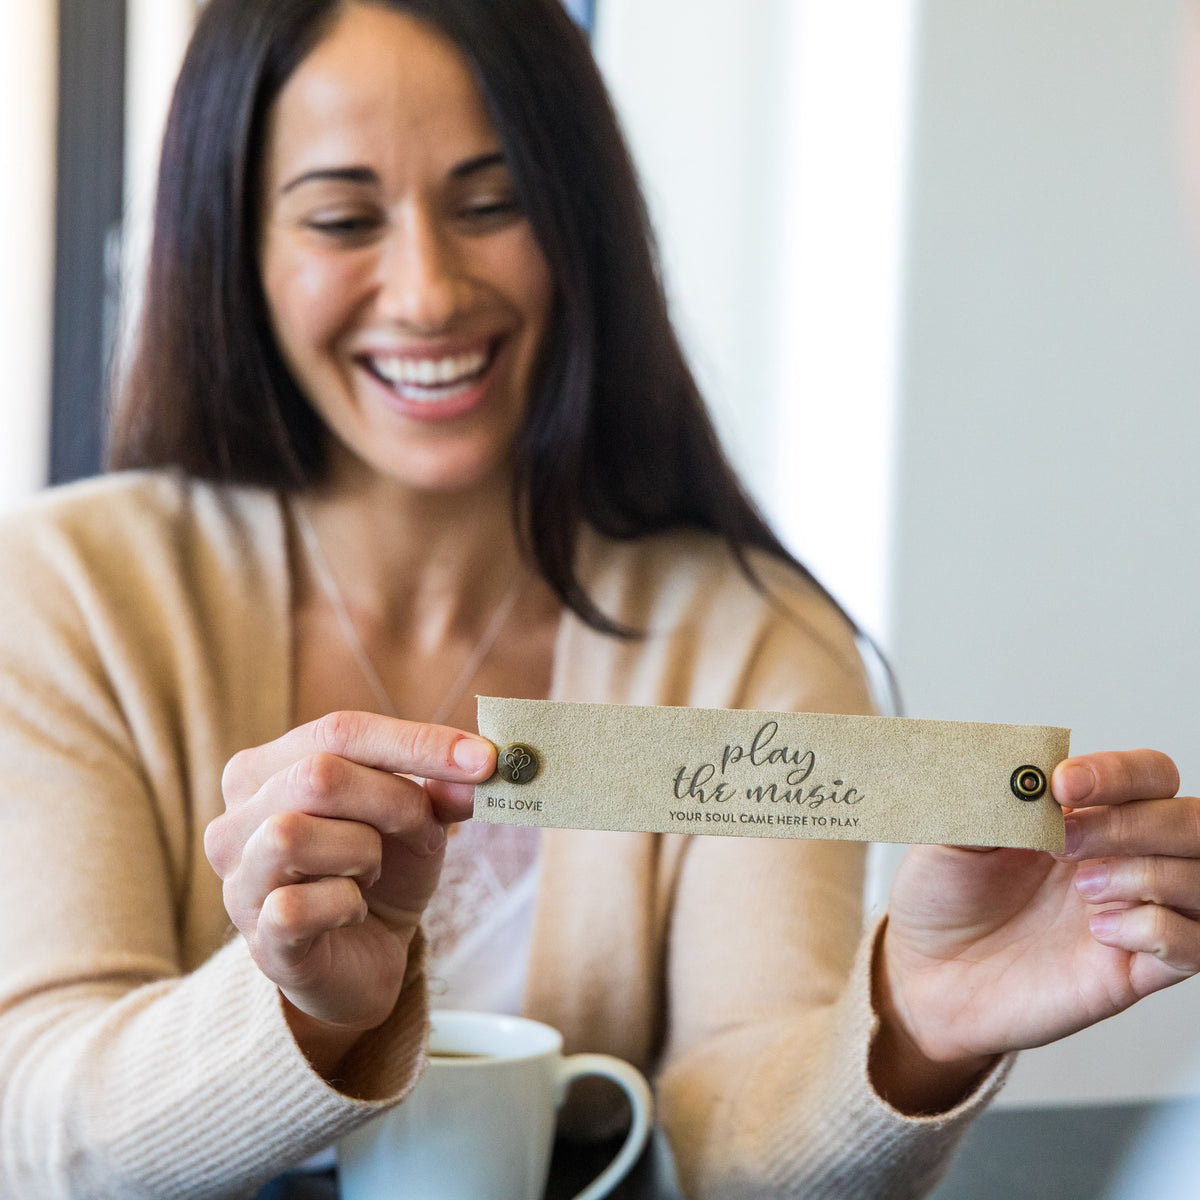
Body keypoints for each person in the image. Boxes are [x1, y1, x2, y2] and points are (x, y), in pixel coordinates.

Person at [1, 1, 1197, 1197]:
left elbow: (723, 1142)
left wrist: (920, 1025)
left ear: (580, 218)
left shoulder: (753, 646)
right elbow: (38, 1124)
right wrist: (306, 1008)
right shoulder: (68, 598)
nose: (425, 290)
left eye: (491, 201)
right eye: (342, 219)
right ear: (233, 247)